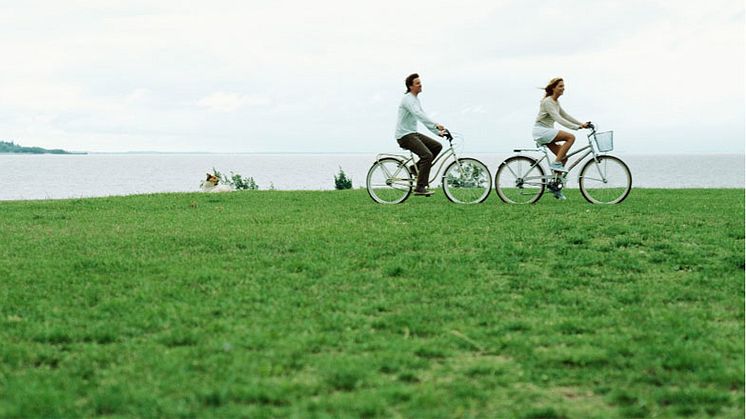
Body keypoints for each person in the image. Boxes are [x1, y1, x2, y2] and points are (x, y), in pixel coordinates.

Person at [394, 73, 447, 196]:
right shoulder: (408, 99)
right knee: (427, 156)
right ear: (410, 86)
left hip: (413, 133)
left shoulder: (415, 100)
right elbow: (419, 115)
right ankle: (420, 187)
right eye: (417, 83)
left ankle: (414, 168)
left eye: (420, 82)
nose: (420, 85)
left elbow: (423, 117)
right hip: (404, 136)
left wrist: (438, 132)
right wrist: (436, 124)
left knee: (437, 147)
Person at [532, 77, 590, 173]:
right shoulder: (547, 102)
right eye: (560, 86)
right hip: (541, 131)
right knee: (570, 137)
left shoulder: (556, 102)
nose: (563, 88)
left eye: (563, 86)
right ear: (553, 88)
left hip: (547, 131)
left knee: (563, 158)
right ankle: (555, 164)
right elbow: (558, 118)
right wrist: (576, 127)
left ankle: (555, 184)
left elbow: (565, 116)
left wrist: (581, 124)